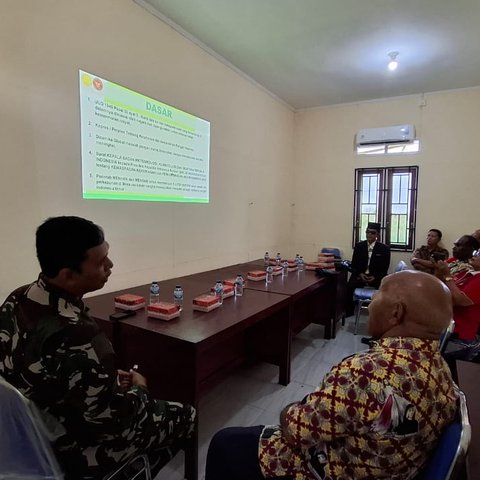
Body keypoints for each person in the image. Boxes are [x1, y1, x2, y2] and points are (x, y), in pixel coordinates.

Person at [205, 271, 457, 480]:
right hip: (384, 466)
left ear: (396, 313)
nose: (372, 302)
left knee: (225, 442)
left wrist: (291, 408)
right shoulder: (442, 370)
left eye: (379, 294)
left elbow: (296, 429)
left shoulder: (367, 372)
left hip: (325, 468)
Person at [0, 216, 195, 479]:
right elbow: (117, 423)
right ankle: (133, 469)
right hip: (73, 447)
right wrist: (139, 388)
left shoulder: (18, 297)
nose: (111, 266)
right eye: (101, 262)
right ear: (68, 275)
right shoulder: (79, 335)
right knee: (188, 415)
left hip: (28, 433)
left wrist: (104, 380)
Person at [435, 247, 480, 361]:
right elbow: (442, 287)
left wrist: (447, 275)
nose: (475, 254)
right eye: (476, 251)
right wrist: (440, 272)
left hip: (459, 336)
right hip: (445, 326)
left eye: (479, 254)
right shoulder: (467, 272)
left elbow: (459, 300)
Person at [346, 222, 391, 316]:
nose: (369, 234)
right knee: (349, 286)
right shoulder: (359, 246)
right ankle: (349, 311)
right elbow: (354, 265)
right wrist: (360, 274)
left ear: (378, 234)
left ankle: (379, 314)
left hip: (376, 278)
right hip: (360, 275)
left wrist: (375, 277)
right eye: (367, 232)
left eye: (372, 233)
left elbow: (384, 268)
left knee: (385, 290)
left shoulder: (384, 249)